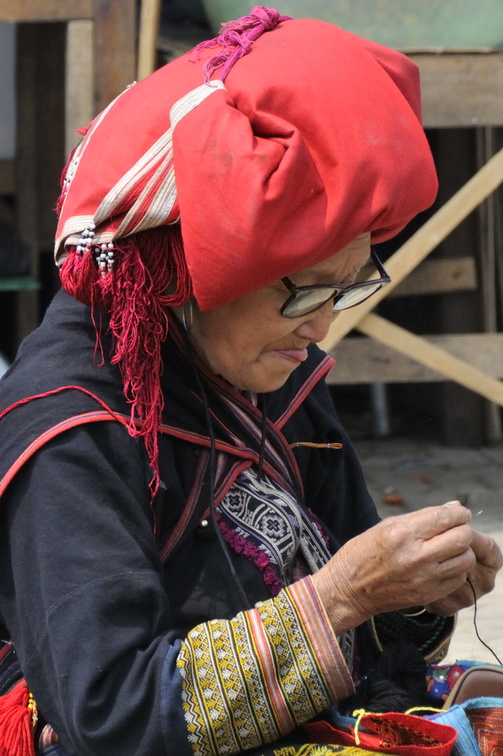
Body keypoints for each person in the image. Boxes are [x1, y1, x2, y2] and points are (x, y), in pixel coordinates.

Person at [0, 7, 501, 756]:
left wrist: (411, 594)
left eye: (343, 290)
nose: (322, 326)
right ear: (182, 273)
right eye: (301, 293)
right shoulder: (71, 434)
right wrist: (340, 597)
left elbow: (370, 643)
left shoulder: (272, 375)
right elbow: (107, 714)